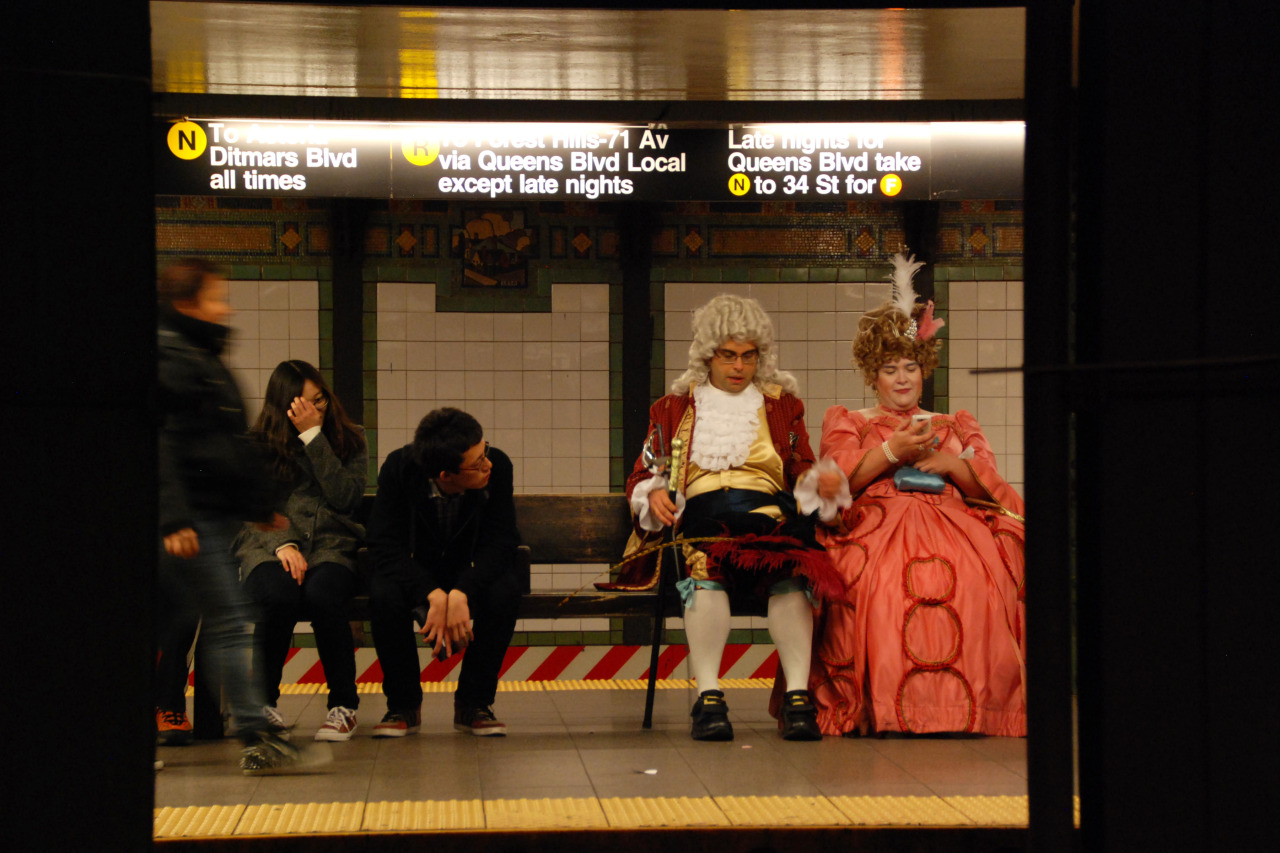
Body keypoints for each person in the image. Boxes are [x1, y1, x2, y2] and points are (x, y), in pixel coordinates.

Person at [804, 253, 1026, 737]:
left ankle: (969, 708)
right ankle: (887, 706)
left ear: (924, 369)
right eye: (889, 369)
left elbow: (994, 488)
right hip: (877, 524)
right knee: (882, 584)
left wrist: (953, 465)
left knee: (977, 577)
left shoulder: (954, 424)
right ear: (873, 374)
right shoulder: (850, 421)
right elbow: (834, 482)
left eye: (910, 366)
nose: (902, 378)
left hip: (955, 525)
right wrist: (889, 450)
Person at [615, 294, 841, 742]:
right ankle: (709, 697)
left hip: (767, 516)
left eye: (748, 356)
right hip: (701, 518)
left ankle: (798, 698)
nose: (739, 367)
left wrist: (820, 482)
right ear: (708, 355)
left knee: (792, 572)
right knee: (705, 569)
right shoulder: (672, 408)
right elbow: (647, 469)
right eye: (728, 356)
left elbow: (799, 465)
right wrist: (655, 492)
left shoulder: (781, 405)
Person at [156, 258, 311, 774]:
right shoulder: (173, 358)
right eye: (216, 296)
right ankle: (256, 735)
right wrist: (174, 518)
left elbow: (225, 445)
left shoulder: (200, 354)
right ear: (187, 303)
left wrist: (256, 504)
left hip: (211, 515)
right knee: (226, 622)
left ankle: (254, 732)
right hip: (191, 518)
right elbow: (165, 444)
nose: (227, 307)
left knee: (220, 623)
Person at [366, 408, 521, 737]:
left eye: (486, 452)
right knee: (383, 594)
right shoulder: (399, 468)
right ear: (445, 475)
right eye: (477, 463)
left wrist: (462, 591)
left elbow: (502, 540)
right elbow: (383, 543)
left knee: (505, 591)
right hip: (417, 573)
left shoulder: (499, 467)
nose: (488, 465)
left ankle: (473, 703)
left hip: (470, 571)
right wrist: (431, 593)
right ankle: (403, 705)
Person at [235, 360, 367, 742]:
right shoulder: (258, 444)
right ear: (283, 406)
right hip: (269, 545)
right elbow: (253, 508)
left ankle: (344, 706)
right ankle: (262, 703)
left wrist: (314, 438)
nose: (316, 410)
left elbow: (346, 498)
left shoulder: (351, 438)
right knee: (278, 595)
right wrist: (283, 543)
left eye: (320, 400)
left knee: (324, 595)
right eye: (304, 405)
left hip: (331, 543)